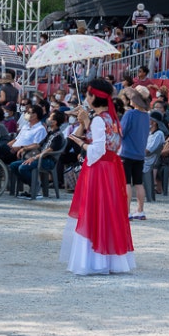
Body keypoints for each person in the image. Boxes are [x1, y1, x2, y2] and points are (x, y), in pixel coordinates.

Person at [60, 78, 134, 274]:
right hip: (110, 169)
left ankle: (94, 261)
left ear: (94, 96)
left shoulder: (99, 120)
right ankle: (107, 260)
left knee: (94, 211)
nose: (86, 98)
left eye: (88, 94)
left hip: (98, 169)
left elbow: (97, 149)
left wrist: (81, 142)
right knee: (107, 211)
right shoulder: (111, 117)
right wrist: (85, 123)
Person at [118, 88, 149, 220]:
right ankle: (140, 210)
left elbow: (122, 132)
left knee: (126, 183)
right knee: (138, 183)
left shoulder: (130, 114)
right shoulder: (147, 115)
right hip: (140, 154)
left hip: (127, 153)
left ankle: (126, 211)